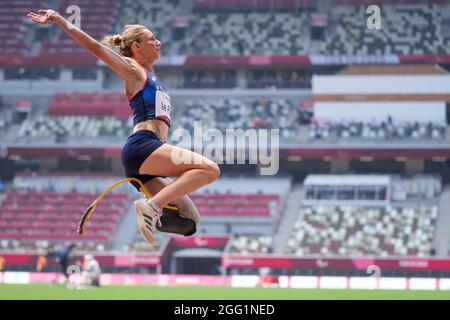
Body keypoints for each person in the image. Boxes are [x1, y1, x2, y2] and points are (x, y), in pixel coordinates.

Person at [26, 10, 220, 244]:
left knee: (189, 222)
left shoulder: (151, 76)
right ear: (137, 47)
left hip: (148, 155)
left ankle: (151, 208)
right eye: (152, 39)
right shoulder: (133, 69)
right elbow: (96, 48)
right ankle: (151, 206)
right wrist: (59, 20)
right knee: (210, 170)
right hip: (143, 146)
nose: (159, 42)